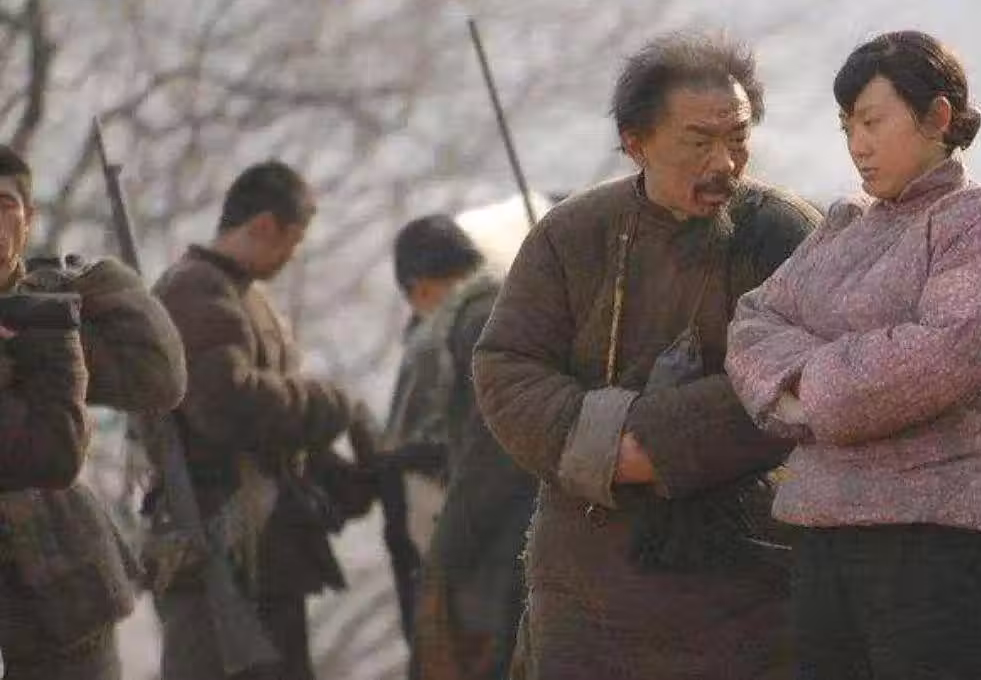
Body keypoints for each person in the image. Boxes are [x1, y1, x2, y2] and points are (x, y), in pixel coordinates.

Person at [471, 33, 820, 680]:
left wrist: (662, 441)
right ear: (637, 142)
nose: (724, 162)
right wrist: (605, 444)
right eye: (698, 142)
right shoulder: (572, 235)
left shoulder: (782, 233)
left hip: (745, 568)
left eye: (738, 138)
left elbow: (809, 372)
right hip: (587, 577)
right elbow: (507, 367)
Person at [725, 30, 981, 680]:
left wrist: (805, 391)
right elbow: (752, 324)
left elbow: (945, 354)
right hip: (824, 539)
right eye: (847, 125)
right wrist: (820, 380)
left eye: (873, 122)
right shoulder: (844, 226)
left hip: (943, 538)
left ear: (937, 116)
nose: (858, 144)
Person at [152, 160, 375, 680]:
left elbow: (272, 432)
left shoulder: (243, 296)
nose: (292, 254)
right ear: (265, 226)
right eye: (292, 240)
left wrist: (342, 474)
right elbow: (228, 404)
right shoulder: (195, 290)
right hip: (219, 541)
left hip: (266, 546)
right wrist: (329, 404)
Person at [0, 143, 188, 680]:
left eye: (4, 205)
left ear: (28, 220)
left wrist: (97, 283)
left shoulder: (51, 306)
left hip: (57, 583)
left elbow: (158, 376)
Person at [390, 215, 537, 680]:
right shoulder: (508, 304)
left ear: (421, 289)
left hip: (505, 539)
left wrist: (447, 547)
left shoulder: (476, 320)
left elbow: (490, 444)